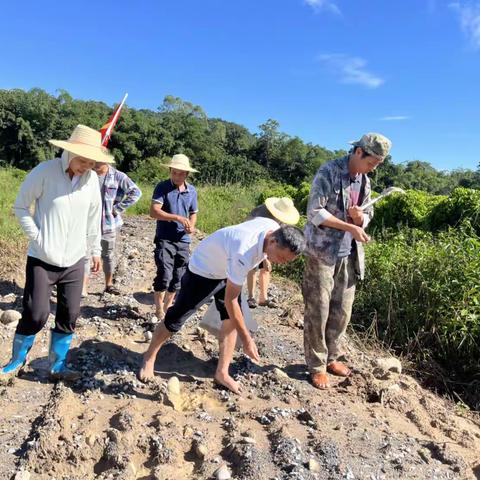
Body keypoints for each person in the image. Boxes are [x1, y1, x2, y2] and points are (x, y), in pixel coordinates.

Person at [138, 218, 306, 394]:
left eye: (286, 261)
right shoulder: (244, 251)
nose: (281, 262)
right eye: (281, 257)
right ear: (273, 240)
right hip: (204, 270)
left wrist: (265, 257)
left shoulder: (273, 228)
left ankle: (222, 372)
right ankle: (149, 357)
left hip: (228, 269)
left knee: (231, 319)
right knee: (176, 318)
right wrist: (247, 340)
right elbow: (231, 300)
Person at [0, 125, 113, 382]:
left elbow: (93, 219)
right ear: (69, 152)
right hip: (42, 258)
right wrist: (38, 237)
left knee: (70, 314)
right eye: (82, 160)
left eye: (92, 162)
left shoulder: (92, 180)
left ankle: (57, 365)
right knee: (36, 313)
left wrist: (95, 250)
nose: (86, 166)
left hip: (74, 260)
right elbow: (20, 206)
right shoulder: (45, 171)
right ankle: (16, 360)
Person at [303, 132, 392, 389]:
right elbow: (314, 212)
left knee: (342, 310)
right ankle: (316, 365)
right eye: (371, 162)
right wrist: (348, 225)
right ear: (358, 152)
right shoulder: (329, 172)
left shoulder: (364, 182)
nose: (373, 168)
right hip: (321, 252)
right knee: (318, 309)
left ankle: (333, 357)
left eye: (377, 164)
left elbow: (368, 213)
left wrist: (359, 220)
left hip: (349, 253)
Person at [150, 154, 199, 320]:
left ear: (186, 174)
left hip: (183, 241)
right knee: (164, 273)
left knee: (178, 277)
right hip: (165, 237)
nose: (177, 176)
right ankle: (158, 310)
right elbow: (154, 211)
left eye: (180, 173)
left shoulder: (192, 191)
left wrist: (191, 226)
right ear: (170, 171)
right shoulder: (162, 187)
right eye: (174, 173)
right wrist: (176, 217)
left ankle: (166, 309)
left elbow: (193, 213)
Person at [83, 162, 142, 296]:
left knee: (108, 255)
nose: (95, 163)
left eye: (99, 161)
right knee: (85, 254)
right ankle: (83, 287)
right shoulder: (87, 173)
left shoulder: (118, 176)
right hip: (87, 221)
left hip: (108, 223)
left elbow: (136, 192)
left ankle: (108, 284)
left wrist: (117, 209)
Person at [246, 197, 300, 308]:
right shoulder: (260, 212)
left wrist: (268, 258)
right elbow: (257, 236)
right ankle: (251, 297)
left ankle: (263, 298)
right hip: (254, 242)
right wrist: (264, 258)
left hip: (272, 244)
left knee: (266, 268)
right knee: (253, 267)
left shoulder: (284, 220)